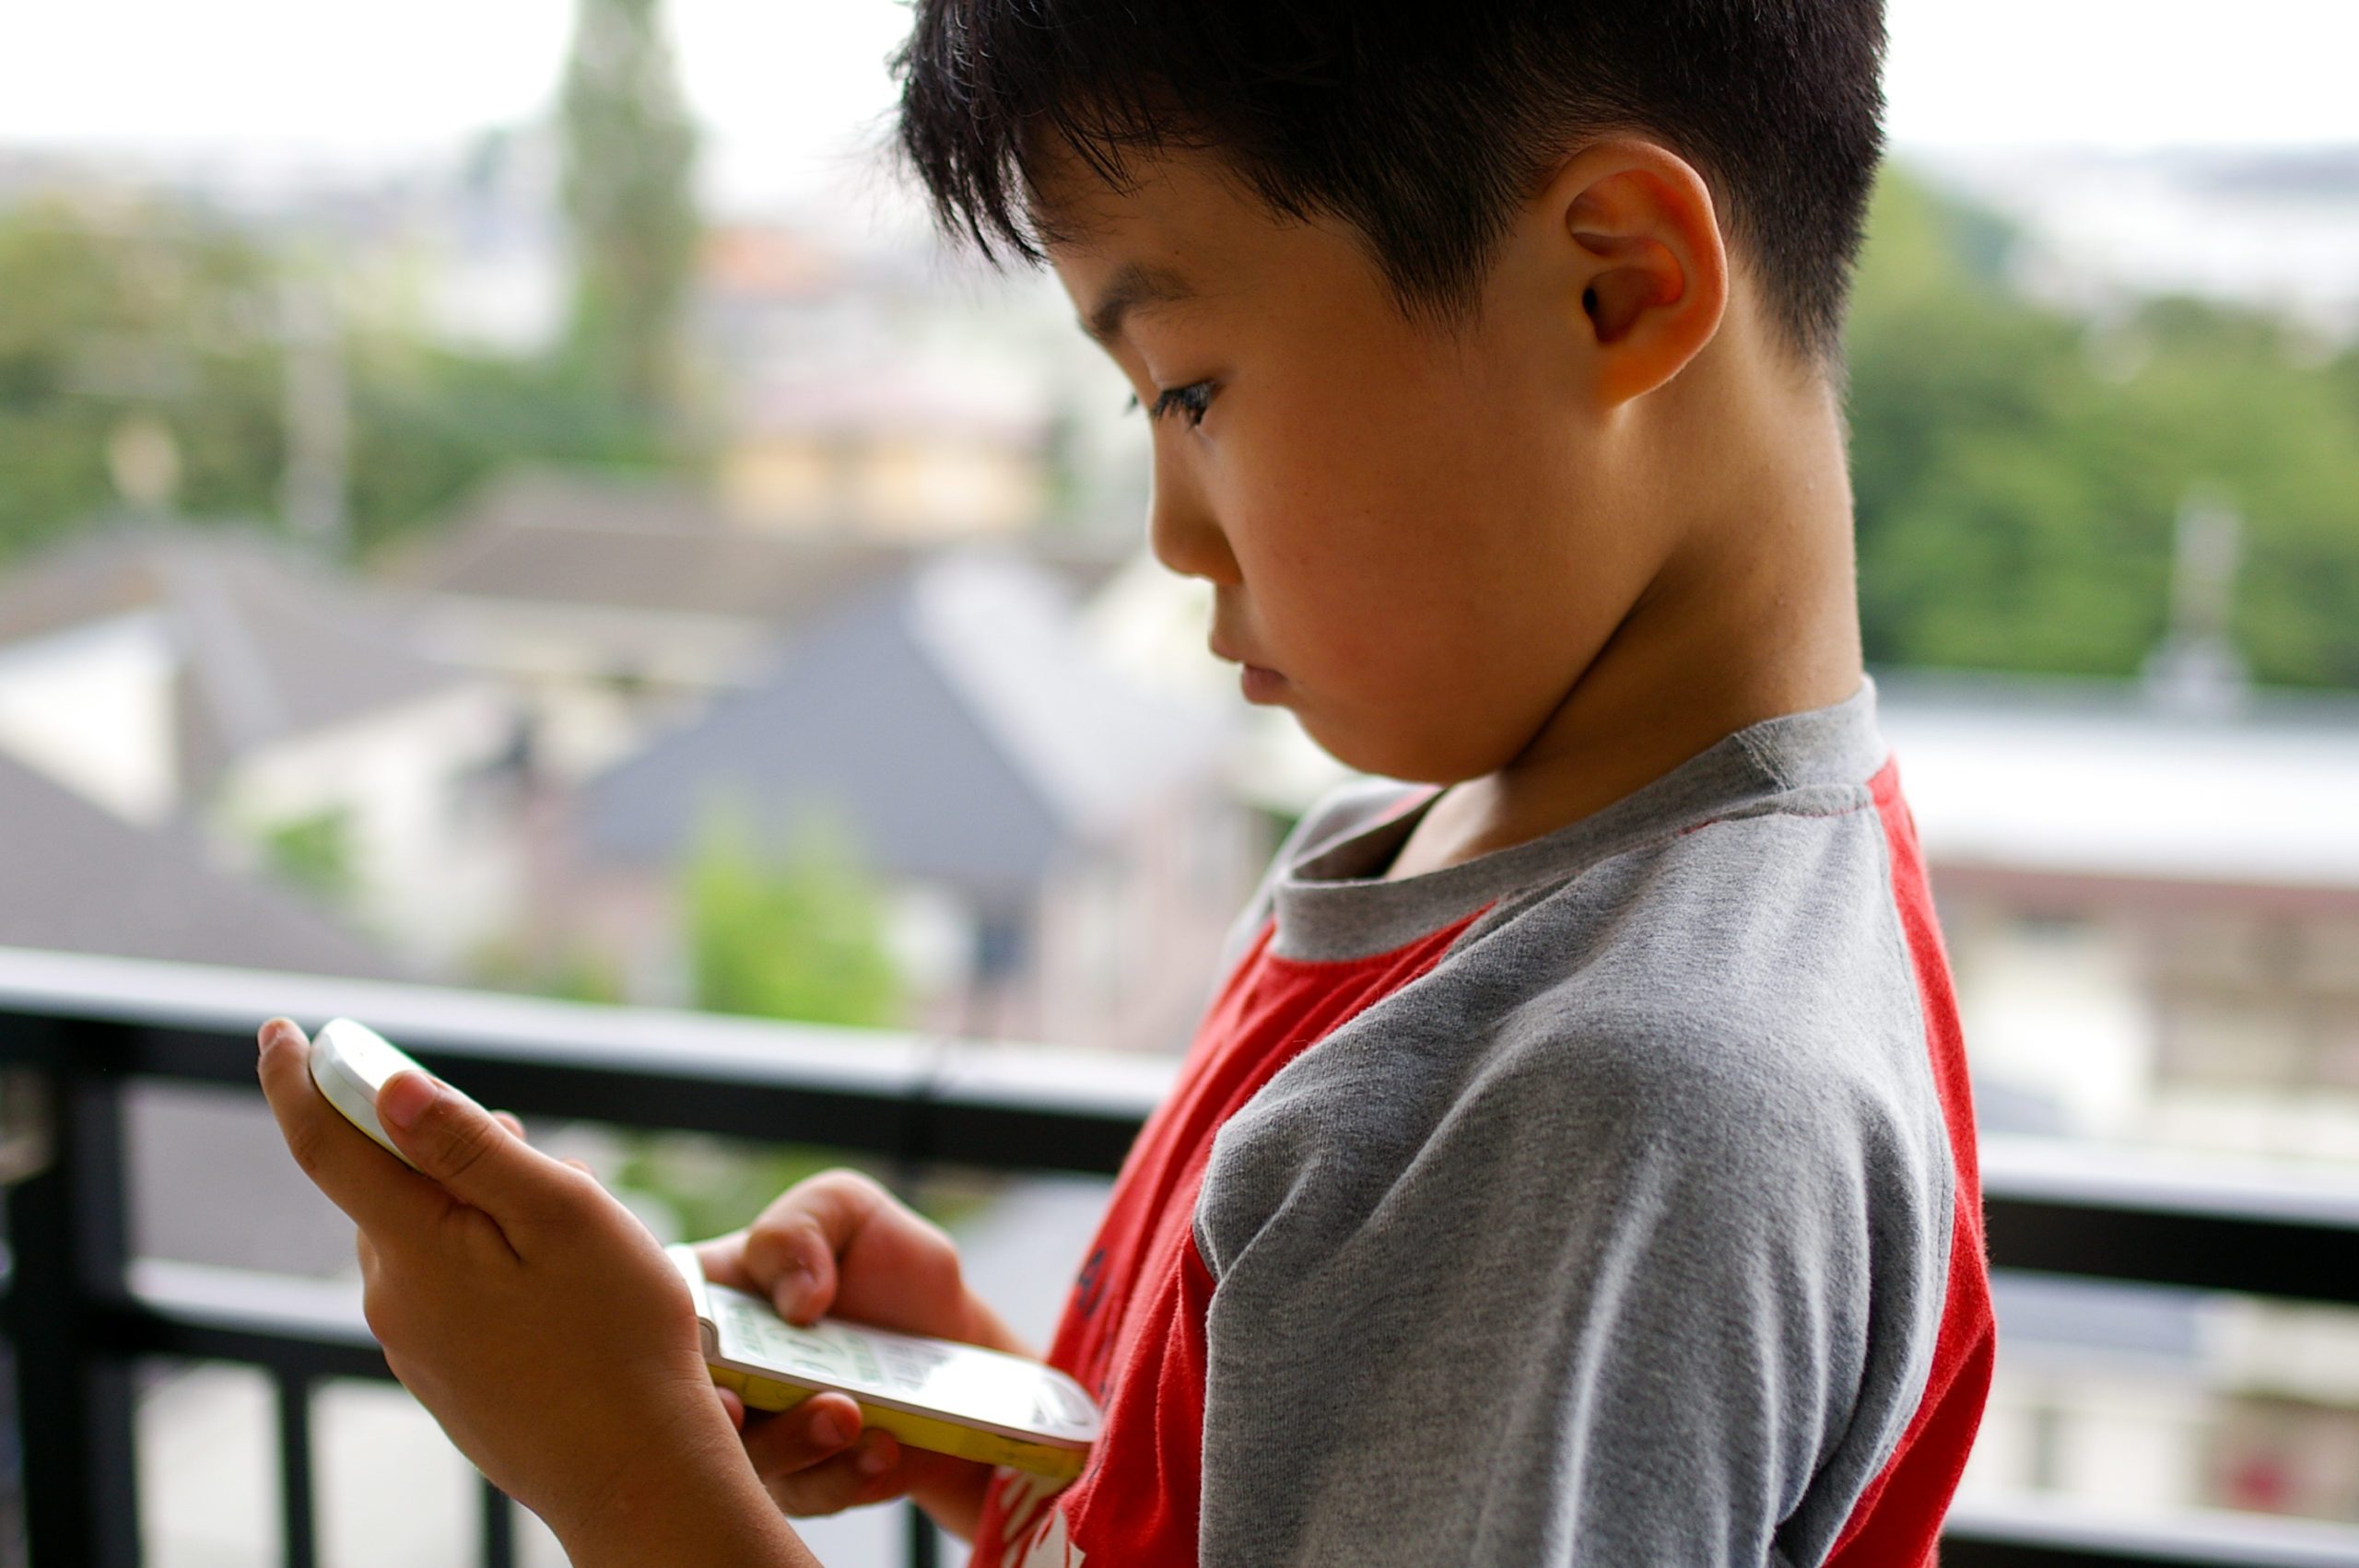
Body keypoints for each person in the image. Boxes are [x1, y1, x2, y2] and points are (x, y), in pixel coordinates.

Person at [257, 1, 1994, 1562]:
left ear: (1615, 284)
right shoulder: (1457, 864)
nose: (1171, 530)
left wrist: (628, 1474)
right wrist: (1018, 1436)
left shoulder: (1616, 1107)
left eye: (1192, 389)